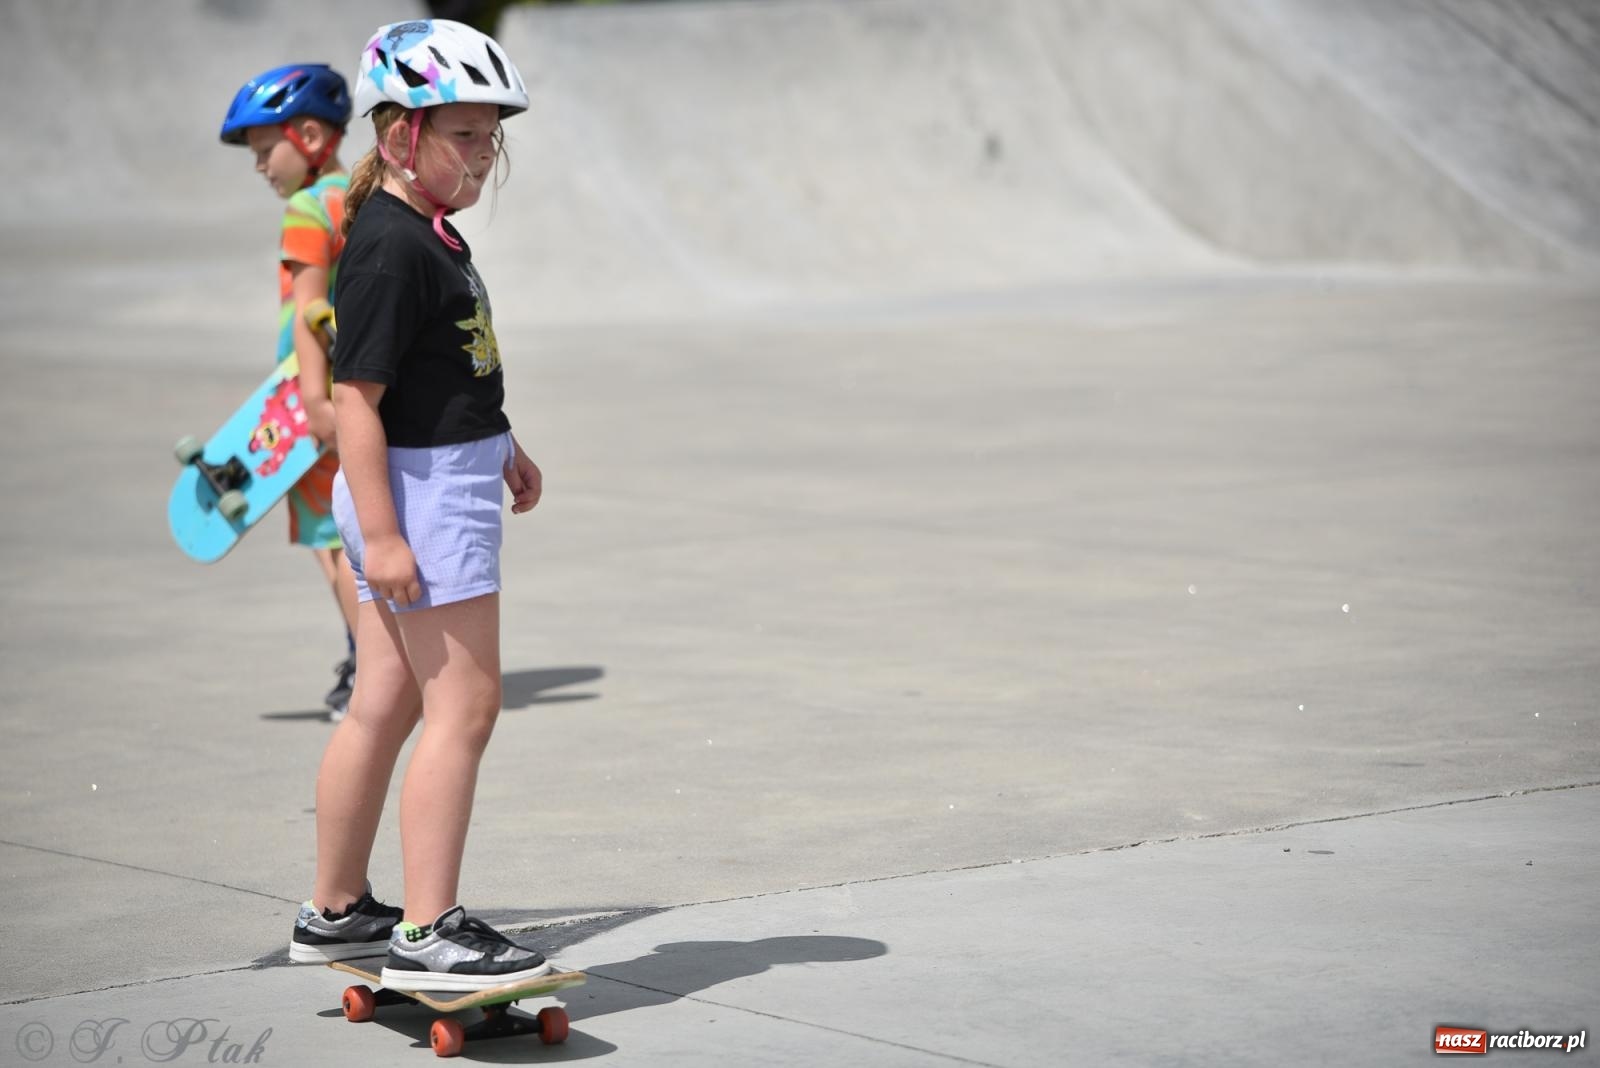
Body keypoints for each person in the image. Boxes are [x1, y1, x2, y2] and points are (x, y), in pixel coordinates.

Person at [288, 19, 552, 991]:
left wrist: (505, 442)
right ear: (400, 135)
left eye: (492, 138)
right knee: (467, 704)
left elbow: (436, 375)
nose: (484, 158)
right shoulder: (392, 249)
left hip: (440, 481)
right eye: (465, 138)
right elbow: (355, 404)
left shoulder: (423, 234)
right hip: (423, 503)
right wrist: (389, 534)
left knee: (385, 702)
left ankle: (338, 910)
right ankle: (430, 926)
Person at [220, 64, 360, 720]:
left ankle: (371, 668)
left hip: (313, 400)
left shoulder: (307, 210)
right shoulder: (363, 198)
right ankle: (378, 660)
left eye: (262, 151)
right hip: (363, 390)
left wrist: (312, 401)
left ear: (308, 135)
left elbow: (311, 312)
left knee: (333, 541)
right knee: (364, 531)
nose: (258, 168)